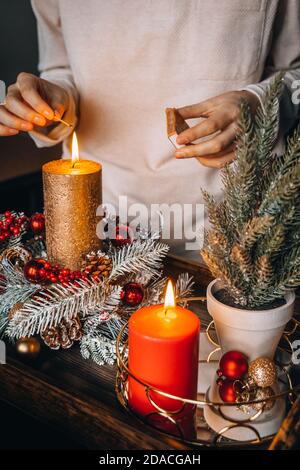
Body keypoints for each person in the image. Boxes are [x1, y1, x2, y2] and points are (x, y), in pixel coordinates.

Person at [0, 1, 299, 244]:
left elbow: (295, 73)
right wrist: (49, 102)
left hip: (237, 224)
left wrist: (260, 104)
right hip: (102, 219)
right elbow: (61, 67)